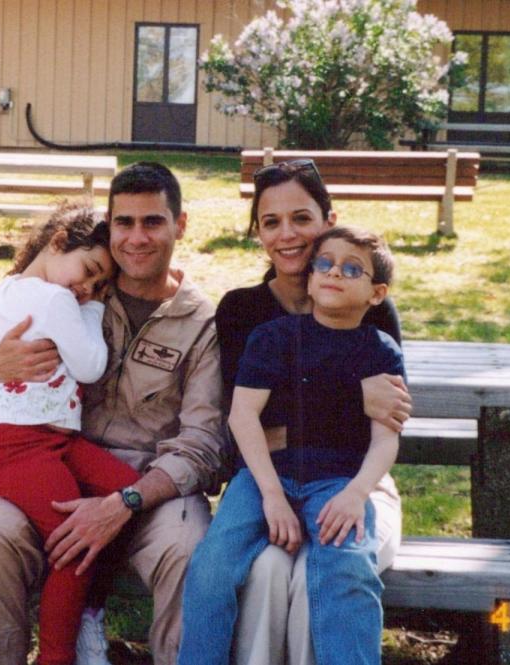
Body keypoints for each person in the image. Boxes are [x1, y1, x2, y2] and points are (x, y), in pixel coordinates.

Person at [0, 162, 227, 665]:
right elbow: (0, 381)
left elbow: (203, 443)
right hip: (46, 465)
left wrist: (126, 501)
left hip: (149, 488)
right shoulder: (78, 287)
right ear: (109, 226)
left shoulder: (203, 323)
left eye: (153, 222)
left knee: (190, 554)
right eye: (124, 223)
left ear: (179, 226)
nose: (136, 238)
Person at [179, 226, 404, 665]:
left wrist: (356, 494)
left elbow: (385, 439)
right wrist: (272, 496)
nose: (333, 272)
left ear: (376, 293)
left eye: (351, 268)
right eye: (325, 263)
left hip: (337, 483)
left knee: (348, 570)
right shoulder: (274, 337)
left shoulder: (381, 353)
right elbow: (242, 416)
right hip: (265, 477)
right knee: (212, 567)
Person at [0, 203, 142, 665]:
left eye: (100, 284)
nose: (88, 289)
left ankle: (86, 614)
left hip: (50, 441)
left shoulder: (8, 288)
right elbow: (90, 364)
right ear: (60, 239)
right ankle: (60, 654)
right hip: (16, 446)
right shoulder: (56, 300)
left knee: (125, 493)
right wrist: (96, 307)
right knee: (74, 542)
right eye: (89, 271)